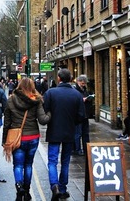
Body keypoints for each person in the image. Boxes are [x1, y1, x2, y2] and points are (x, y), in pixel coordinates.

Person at [4, 77, 50, 201]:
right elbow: (43, 120)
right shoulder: (37, 100)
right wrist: (50, 113)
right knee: (28, 164)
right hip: (33, 137)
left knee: (18, 165)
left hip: (17, 138)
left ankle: (19, 188)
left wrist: (5, 141)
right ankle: (27, 191)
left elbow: (7, 123)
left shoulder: (11, 100)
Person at [43, 68, 86, 200]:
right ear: (71, 79)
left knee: (52, 161)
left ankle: (54, 186)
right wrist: (72, 122)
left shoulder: (50, 93)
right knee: (65, 161)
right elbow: (81, 116)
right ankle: (62, 188)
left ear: (59, 78)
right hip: (69, 132)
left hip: (54, 131)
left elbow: (45, 112)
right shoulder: (77, 95)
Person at [73, 74, 93, 156]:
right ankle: (77, 149)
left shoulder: (85, 90)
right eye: (82, 83)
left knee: (86, 133)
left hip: (85, 115)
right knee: (78, 134)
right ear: (78, 82)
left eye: (85, 83)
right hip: (78, 115)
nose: (84, 85)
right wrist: (82, 100)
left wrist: (89, 98)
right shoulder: (74, 90)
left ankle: (86, 149)